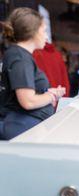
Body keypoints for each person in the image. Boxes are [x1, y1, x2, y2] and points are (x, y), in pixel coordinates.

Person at [0, 8, 65, 140]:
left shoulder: (20, 55)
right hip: (22, 129)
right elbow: (28, 101)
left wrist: (47, 93)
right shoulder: (20, 59)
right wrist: (51, 95)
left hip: (24, 127)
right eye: (44, 31)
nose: (46, 37)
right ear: (33, 32)